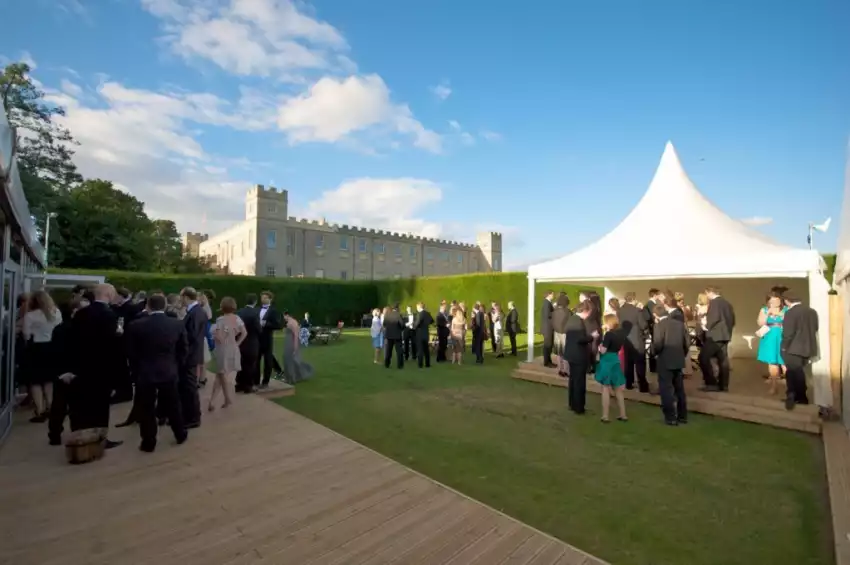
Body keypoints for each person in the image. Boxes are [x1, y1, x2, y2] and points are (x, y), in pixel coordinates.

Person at [126, 294, 188, 452]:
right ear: (165, 305)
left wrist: (136, 371)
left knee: (146, 408)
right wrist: (176, 366)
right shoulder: (176, 324)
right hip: (169, 370)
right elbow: (183, 350)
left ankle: (148, 441)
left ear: (148, 306)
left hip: (145, 372)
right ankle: (180, 434)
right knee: (174, 404)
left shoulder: (136, 325)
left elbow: (131, 353)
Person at [64, 283, 123, 449]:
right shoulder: (109, 315)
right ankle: (101, 438)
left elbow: (72, 343)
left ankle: (83, 436)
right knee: (101, 405)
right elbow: (112, 347)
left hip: (82, 366)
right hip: (102, 368)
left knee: (84, 402)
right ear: (107, 295)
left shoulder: (80, 314)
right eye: (112, 294)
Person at [48, 295, 89, 446]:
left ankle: (54, 435)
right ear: (75, 311)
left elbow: (54, 352)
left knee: (59, 405)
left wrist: (61, 372)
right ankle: (75, 434)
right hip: (76, 373)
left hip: (63, 373)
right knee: (74, 406)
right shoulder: (84, 329)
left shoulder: (59, 329)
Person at [22, 290, 63, 422]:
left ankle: (39, 411)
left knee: (35, 381)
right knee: (49, 379)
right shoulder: (56, 313)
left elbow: (26, 334)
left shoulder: (31, 316)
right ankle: (50, 407)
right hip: (51, 348)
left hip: (36, 349)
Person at [652, 303, 691, 425]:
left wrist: (654, 353)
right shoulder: (679, 324)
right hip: (678, 360)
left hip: (665, 361)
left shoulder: (659, 326)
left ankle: (670, 417)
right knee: (679, 390)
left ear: (655, 315)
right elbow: (687, 343)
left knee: (666, 390)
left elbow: (658, 344)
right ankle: (682, 416)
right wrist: (682, 355)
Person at [780, 292, 818, 411]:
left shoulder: (790, 313)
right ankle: (798, 396)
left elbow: (788, 333)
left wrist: (784, 347)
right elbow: (815, 328)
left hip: (793, 348)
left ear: (786, 301)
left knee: (793, 372)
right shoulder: (812, 311)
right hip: (808, 347)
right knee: (799, 371)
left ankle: (795, 396)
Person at [209, 297, 246, 410]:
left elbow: (219, 337)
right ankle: (213, 401)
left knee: (221, 374)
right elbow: (244, 333)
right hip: (233, 347)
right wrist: (237, 343)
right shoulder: (237, 318)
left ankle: (226, 398)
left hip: (222, 349)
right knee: (219, 375)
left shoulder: (220, 320)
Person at [699, 286, 736, 392]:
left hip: (715, 335)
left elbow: (713, 318)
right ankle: (724, 385)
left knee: (703, 357)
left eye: (706, 293)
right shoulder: (727, 303)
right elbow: (732, 320)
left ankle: (711, 383)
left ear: (710, 292)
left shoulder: (714, 303)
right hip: (725, 335)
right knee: (723, 360)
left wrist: (706, 325)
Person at [179, 287, 206, 428]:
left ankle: (193, 418)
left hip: (190, 355)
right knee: (187, 387)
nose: (180, 299)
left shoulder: (195, 312)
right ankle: (189, 415)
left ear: (186, 297)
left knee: (190, 387)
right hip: (191, 354)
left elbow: (192, 336)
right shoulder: (195, 311)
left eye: (181, 297)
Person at [564, 301, 596, 414]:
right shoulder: (579, 322)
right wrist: (591, 337)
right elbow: (580, 339)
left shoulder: (571, 318)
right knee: (579, 382)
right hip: (578, 355)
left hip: (570, 354)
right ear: (585, 311)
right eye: (589, 312)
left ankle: (572, 404)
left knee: (573, 380)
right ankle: (579, 407)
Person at [595, 313, 628, 423]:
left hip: (607, 360)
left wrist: (599, 346)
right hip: (615, 358)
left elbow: (603, 350)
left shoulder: (609, 334)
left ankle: (605, 415)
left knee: (605, 387)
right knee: (618, 388)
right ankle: (623, 414)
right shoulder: (621, 333)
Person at [756, 292, 787, 395]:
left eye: (777, 300)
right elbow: (760, 323)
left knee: (784, 362)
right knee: (772, 362)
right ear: (768, 301)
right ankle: (774, 386)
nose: (775, 302)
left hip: (782, 337)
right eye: (772, 300)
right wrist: (767, 314)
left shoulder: (785, 309)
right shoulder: (764, 310)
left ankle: (790, 387)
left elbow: (788, 320)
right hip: (769, 338)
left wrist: (778, 314)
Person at [235, 294, 262, 393]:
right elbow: (258, 329)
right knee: (250, 364)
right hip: (251, 341)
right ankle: (248, 386)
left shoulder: (239, 312)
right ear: (255, 301)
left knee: (241, 363)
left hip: (241, 342)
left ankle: (239, 384)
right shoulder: (255, 313)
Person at [258, 291, 283, 387]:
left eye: (265, 298)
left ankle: (265, 382)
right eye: (262, 297)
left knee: (268, 361)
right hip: (257, 338)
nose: (263, 299)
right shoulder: (257, 310)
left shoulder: (273, 311)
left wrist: (266, 324)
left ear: (270, 299)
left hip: (267, 338)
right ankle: (255, 380)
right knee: (256, 360)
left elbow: (278, 325)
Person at [283, 311, 314, 383]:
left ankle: (292, 378)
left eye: (284, 316)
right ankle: (289, 377)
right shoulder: (289, 322)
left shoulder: (293, 322)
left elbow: (296, 335)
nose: (284, 318)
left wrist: (295, 347)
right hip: (288, 342)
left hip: (291, 342)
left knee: (291, 360)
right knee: (287, 359)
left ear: (287, 315)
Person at [551, 295, 571, 377]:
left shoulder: (554, 311)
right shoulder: (567, 312)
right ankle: (566, 370)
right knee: (566, 352)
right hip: (565, 333)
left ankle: (560, 369)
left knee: (559, 352)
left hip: (556, 333)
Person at [382, 304, 405, 369]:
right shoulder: (398, 315)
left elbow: (384, 324)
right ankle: (400, 365)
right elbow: (402, 324)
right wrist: (401, 329)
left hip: (389, 335)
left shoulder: (387, 315)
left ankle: (387, 364)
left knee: (388, 351)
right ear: (397, 308)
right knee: (399, 351)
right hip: (397, 336)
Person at [414, 302, 434, 368]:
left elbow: (417, 323)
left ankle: (420, 364)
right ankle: (427, 364)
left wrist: (414, 327)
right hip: (426, 333)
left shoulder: (420, 314)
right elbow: (432, 321)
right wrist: (427, 324)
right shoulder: (427, 313)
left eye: (417, 307)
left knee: (420, 350)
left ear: (419, 307)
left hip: (420, 333)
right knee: (426, 350)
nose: (416, 308)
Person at [540, 291, 556, 367]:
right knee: (547, 345)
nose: (553, 295)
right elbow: (548, 315)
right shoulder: (547, 303)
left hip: (547, 328)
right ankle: (547, 362)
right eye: (552, 294)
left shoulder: (548, 303)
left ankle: (549, 361)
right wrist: (555, 311)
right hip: (547, 328)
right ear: (549, 295)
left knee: (549, 345)